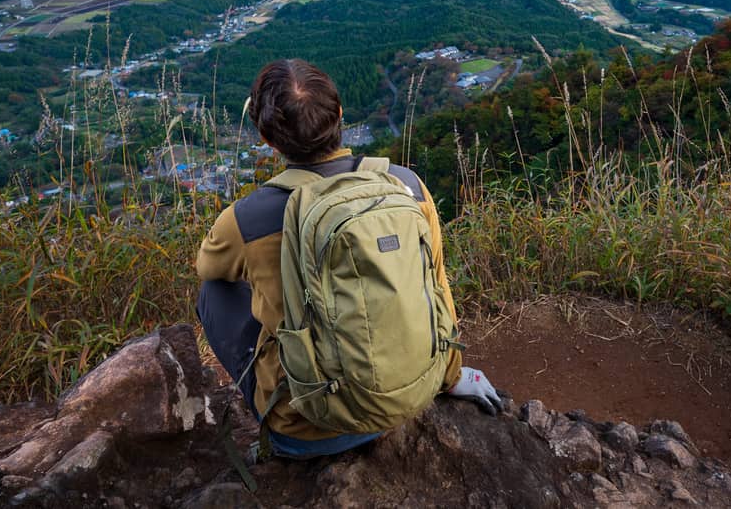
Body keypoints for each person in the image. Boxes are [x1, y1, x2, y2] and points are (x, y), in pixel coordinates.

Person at [196, 58, 502, 458]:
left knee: (214, 291)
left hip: (307, 431)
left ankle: (276, 412)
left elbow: (208, 266)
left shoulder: (247, 219)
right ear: (341, 115)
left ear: (267, 139)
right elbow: (436, 285)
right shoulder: (406, 185)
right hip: (413, 399)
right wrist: (452, 375)